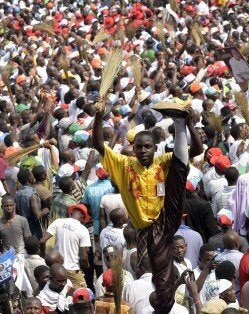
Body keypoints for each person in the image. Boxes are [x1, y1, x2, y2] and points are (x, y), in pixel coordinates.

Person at [94, 95, 202, 313]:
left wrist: (189, 122)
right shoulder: (124, 165)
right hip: (145, 229)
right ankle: (164, 303)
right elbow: (97, 144)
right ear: (133, 149)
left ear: (155, 148)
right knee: (160, 274)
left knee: (180, 170)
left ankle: (179, 123)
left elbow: (197, 150)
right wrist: (98, 114)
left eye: (147, 147)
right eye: (139, 148)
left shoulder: (163, 161)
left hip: (165, 216)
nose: (143, 151)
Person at [40, 203, 92, 288]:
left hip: (56, 269)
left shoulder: (58, 222)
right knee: (83, 295)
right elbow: (83, 257)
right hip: (72, 270)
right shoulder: (83, 230)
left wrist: (44, 257)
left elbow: (42, 241)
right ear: (82, 216)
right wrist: (86, 266)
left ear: (72, 213)